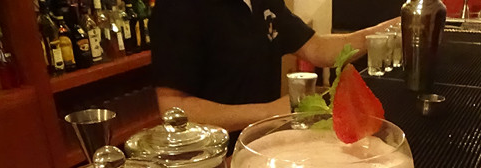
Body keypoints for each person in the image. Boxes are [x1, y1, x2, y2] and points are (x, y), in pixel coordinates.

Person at [150, 0, 398, 146]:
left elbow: (318, 48)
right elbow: (173, 107)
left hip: (262, 145)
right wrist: (270, 112)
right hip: (213, 162)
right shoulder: (179, 7)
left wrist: (392, 29)